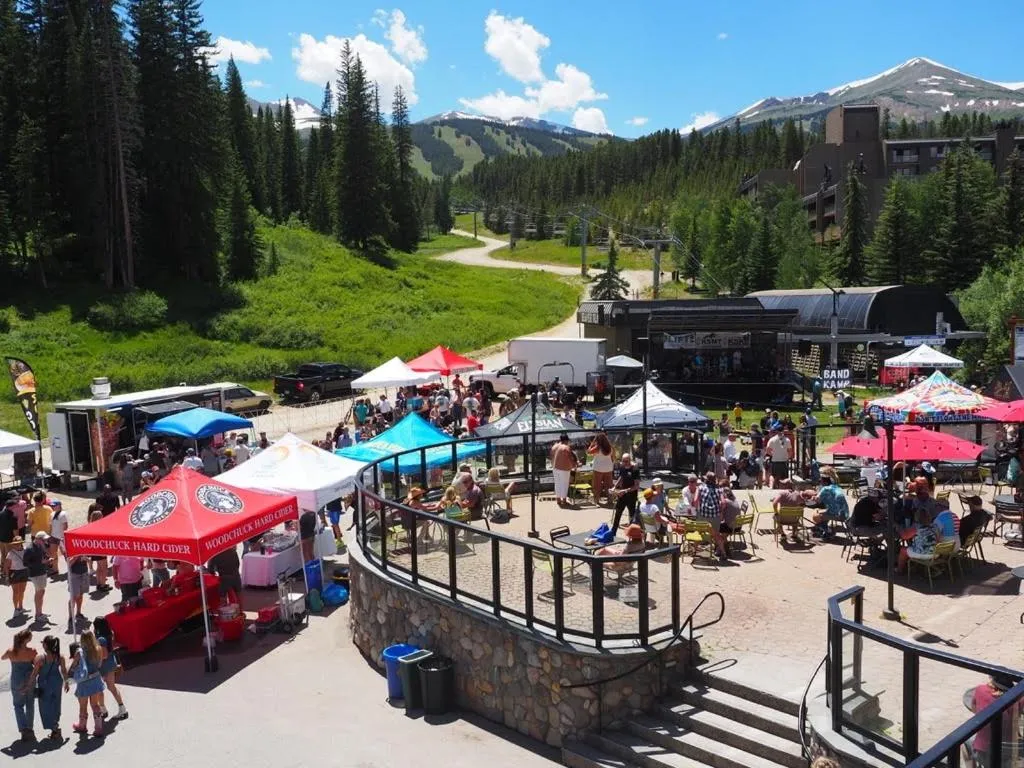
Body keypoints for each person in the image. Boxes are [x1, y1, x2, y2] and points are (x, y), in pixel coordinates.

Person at [967, 673, 1020, 765]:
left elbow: (974, 709)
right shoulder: (1018, 698)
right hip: (1008, 754)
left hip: (983, 753)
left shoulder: (980, 690)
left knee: (968, 741)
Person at [26, 635, 67, 742]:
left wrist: (28, 686)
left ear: (45, 645)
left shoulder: (41, 658)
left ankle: (55, 729)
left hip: (45, 684)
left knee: (45, 707)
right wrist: (66, 682)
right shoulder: (59, 656)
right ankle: (55, 725)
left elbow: (34, 674)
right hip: (57, 682)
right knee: (56, 703)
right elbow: (63, 670)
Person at [69, 631, 106, 737]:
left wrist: (70, 677)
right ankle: (98, 728)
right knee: (95, 705)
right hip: (95, 679)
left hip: (84, 682)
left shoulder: (79, 652)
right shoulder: (98, 649)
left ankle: (82, 725)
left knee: (83, 705)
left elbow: (74, 666)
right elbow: (100, 664)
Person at [3, 628, 37, 742]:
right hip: (29, 679)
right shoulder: (32, 651)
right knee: (30, 704)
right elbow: (36, 663)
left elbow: (2, 657)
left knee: (18, 705)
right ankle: (29, 728)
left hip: (16, 680)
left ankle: (23, 730)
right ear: (27, 639)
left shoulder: (11, 651)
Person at [694, 471, 728, 560]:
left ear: (706, 480)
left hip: (703, 514)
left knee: (699, 532)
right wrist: (720, 512)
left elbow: (695, 500)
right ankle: (723, 553)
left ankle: (694, 550)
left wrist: (697, 509)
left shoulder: (700, 488)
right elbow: (723, 502)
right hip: (715, 516)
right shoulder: (719, 490)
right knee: (716, 535)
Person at [97, 635, 128, 721]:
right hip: (110, 664)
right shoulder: (110, 634)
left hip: (104, 666)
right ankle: (122, 708)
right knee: (112, 687)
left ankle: (103, 710)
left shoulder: (101, 639)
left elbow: (104, 655)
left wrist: (95, 659)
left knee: (99, 689)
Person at [24, 531, 50, 622]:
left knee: (41, 592)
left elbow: (43, 556)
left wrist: (47, 559)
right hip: (36, 574)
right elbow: (25, 563)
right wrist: (40, 562)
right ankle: (38, 614)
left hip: (42, 572)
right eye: (44, 540)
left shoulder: (40, 546)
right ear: (38, 539)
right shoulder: (29, 549)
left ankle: (40, 612)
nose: (46, 541)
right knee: (39, 592)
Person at [610, 454, 640, 530]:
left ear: (630, 460)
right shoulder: (622, 467)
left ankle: (632, 531)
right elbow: (621, 477)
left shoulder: (635, 469)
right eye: (623, 461)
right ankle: (614, 530)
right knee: (618, 511)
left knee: (631, 514)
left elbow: (636, 486)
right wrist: (615, 487)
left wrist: (625, 491)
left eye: (626, 461)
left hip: (631, 495)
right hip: (622, 494)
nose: (624, 463)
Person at [550, 432, 578, 506]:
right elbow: (570, 458)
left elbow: (551, 457)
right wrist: (575, 465)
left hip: (555, 468)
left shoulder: (555, 446)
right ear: (566, 440)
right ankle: (564, 500)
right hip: (564, 469)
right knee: (564, 484)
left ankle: (558, 499)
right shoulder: (566, 447)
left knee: (557, 484)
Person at [588, 432, 615, 505]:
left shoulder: (597, 447)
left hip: (598, 468)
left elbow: (588, 452)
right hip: (608, 468)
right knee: (609, 485)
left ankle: (596, 500)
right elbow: (613, 456)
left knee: (597, 485)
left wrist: (592, 443)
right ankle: (610, 499)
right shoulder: (610, 447)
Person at [67, 552, 91, 628]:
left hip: (84, 574)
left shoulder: (83, 548)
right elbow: (68, 564)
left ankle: (78, 613)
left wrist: (87, 559)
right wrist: (76, 557)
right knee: (73, 596)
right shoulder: (71, 550)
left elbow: (90, 561)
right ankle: (71, 617)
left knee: (80, 595)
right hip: (74, 575)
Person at [5, 537, 28, 615]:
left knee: (22, 590)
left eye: (18, 543)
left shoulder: (25, 550)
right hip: (14, 573)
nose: (17, 545)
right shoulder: (11, 553)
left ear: (21, 543)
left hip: (24, 571)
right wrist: (7, 577)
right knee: (15, 592)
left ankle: (21, 607)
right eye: (15, 544)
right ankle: (16, 609)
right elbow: (7, 566)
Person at [48, 499, 67, 576]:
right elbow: (50, 525)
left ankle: (71, 567)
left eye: (54, 505)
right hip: (53, 536)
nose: (52, 507)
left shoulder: (63, 514)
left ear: (59, 506)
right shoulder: (52, 514)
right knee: (53, 553)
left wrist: (63, 536)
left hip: (61, 537)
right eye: (52, 506)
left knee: (65, 553)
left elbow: (65, 526)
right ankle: (55, 569)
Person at [0, 497, 19, 570]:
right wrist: (17, 540)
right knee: (10, 555)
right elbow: (15, 531)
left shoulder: (0, 514)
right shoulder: (13, 517)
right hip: (9, 540)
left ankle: (2, 568)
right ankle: (8, 570)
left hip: (1, 538)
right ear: (12, 506)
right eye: (15, 505)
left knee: (3, 554)